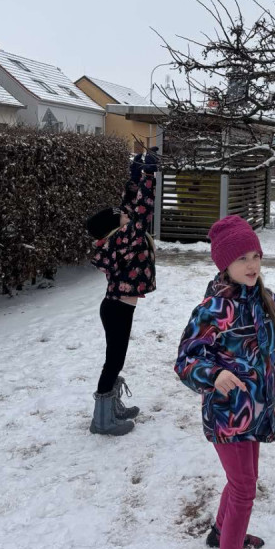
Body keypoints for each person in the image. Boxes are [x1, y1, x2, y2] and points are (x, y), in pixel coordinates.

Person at [174, 215, 275, 549]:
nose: (252, 265)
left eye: (255, 256)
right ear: (224, 264)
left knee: (243, 481)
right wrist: (214, 375)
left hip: (258, 413)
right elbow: (186, 360)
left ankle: (221, 532)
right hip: (226, 414)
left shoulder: (269, 302)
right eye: (242, 258)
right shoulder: (213, 309)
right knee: (244, 488)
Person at [83, 148, 159, 436]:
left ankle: (111, 407)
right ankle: (102, 420)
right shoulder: (123, 239)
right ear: (115, 227)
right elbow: (142, 211)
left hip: (116, 307)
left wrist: (134, 179)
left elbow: (128, 208)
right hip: (117, 309)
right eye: (122, 217)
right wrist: (149, 177)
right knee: (113, 361)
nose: (126, 214)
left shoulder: (119, 235)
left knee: (115, 360)